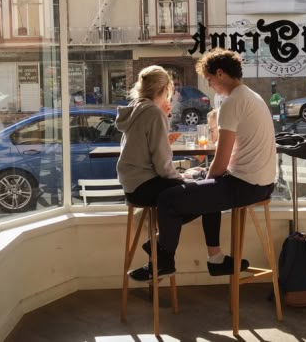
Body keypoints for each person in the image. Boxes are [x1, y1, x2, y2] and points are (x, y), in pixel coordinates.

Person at [151, 48, 277, 279]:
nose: (209, 85)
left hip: (246, 185)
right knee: (207, 189)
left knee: (168, 199)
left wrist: (203, 178)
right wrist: (203, 179)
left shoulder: (231, 103)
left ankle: (162, 258)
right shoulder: (253, 96)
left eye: (209, 79)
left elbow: (221, 159)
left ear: (220, 74)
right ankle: (214, 259)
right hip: (263, 182)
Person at [115, 65, 186, 281]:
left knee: (181, 195)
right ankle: (161, 251)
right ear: (165, 88)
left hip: (131, 185)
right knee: (198, 195)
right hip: (145, 185)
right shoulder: (153, 113)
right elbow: (163, 163)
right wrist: (182, 178)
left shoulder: (135, 109)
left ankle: (160, 253)